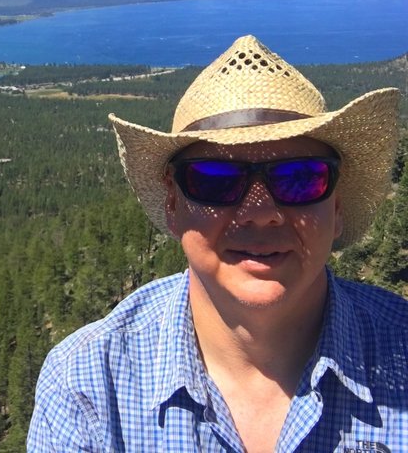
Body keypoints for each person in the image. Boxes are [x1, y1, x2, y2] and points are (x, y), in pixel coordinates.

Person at [27, 35, 408, 452]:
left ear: (336, 207)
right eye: (215, 179)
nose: (260, 213)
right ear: (173, 205)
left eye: (299, 178)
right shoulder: (89, 386)